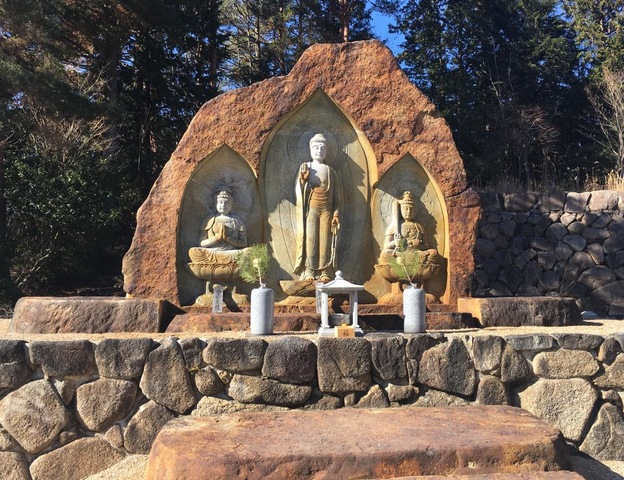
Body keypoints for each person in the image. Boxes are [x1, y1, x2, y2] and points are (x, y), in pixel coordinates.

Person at [294, 133, 341, 282]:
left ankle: (325, 271)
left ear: (327, 151)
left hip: (327, 210)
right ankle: (309, 270)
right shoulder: (306, 167)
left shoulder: (331, 171)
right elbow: (299, 191)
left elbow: (337, 197)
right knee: (311, 239)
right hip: (311, 209)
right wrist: (303, 180)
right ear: (310, 149)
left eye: (322, 148)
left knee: (325, 240)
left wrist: (336, 214)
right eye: (315, 147)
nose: (319, 151)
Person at [380, 191, 441, 269]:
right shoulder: (394, 226)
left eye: (411, 209)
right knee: (385, 254)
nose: (408, 212)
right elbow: (386, 246)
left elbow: (427, 245)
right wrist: (395, 243)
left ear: (415, 210)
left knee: (433, 253)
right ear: (400, 210)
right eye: (405, 209)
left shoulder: (418, 226)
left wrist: (417, 244)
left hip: (416, 254)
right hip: (400, 254)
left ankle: (409, 264)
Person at [189, 188, 248, 264]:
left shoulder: (237, 221)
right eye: (220, 202)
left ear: (232, 205)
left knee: (248, 252)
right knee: (194, 251)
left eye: (226, 203)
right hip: (212, 252)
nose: (223, 205)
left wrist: (228, 238)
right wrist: (216, 238)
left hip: (231, 253)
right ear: (215, 204)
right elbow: (201, 243)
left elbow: (244, 243)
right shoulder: (209, 219)